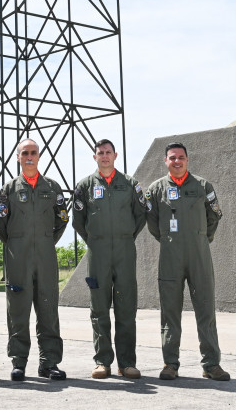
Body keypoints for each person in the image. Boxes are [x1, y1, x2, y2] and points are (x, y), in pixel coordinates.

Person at [145, 142, 230, 381]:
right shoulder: (156, 189)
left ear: (187, 160)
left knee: (206, 311)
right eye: (172, 158)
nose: (177, 161)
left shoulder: (203, 186)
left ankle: (211, 364)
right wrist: (166, 239)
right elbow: (152, 221)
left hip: (199, 257)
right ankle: (170, 364)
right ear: (165, 161)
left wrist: (202, 239)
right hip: (170, 257)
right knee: (169, 312)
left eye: (181, 157)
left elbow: (215, 215)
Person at [72, 139, 149, 379]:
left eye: (108, 152)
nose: (104, 156)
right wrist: (97, 240)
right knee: (99, 309)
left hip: (125, 251)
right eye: (100, 153)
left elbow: (141, 215)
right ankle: (102, 361)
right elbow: (78, 220)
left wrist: (125, 236)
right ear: (95, 157)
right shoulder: (84, 185)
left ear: (116, 155)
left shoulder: (130, 184)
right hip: (98, 252)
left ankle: (127, 363)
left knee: (126, 308)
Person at [0, 138, 70, 381]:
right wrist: (19, 243)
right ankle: (19, 362)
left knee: (48, 310)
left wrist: (46, 241)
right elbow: (1, 226)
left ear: (39, 156)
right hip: (18, 258)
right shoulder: (9, 189)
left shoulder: (52, 187)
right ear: (18, 157)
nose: (29, 156)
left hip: (46, 258)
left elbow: (62, 221)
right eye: (25, 153)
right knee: (18, 310)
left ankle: (49, 363)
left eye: (33, 152)